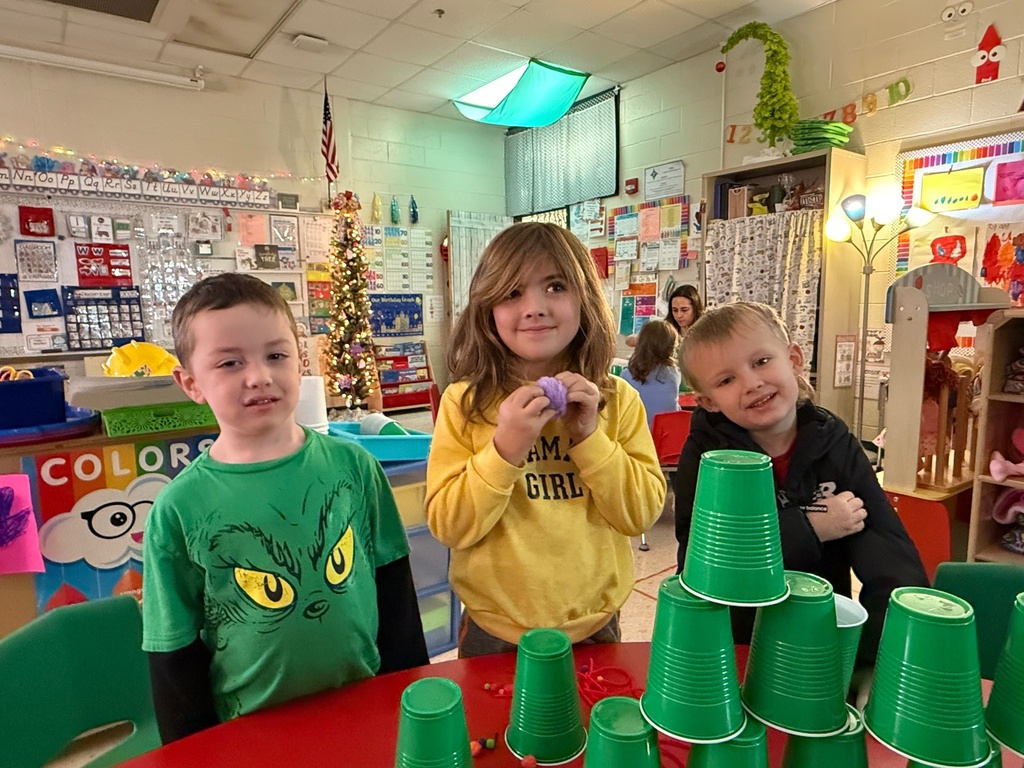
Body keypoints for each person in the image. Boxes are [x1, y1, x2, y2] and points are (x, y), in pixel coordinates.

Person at [142, 273, 427, 743]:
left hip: (365, 708)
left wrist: (411, 705)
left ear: (300, 362)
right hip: (252, 732)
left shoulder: (354, 466)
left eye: (276, 355)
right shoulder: (179, 509)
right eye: (230, 362)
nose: (259, 376)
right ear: (191, 383)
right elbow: (173, 653)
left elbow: (394, 590)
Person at [426, 222, 665, 657]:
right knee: (492, 728)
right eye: (512, 292)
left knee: (591, 724)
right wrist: (506, 448)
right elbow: (449, 526)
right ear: (487, 310)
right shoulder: (464, 402)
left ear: (585, 299)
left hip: (592, 624)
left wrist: (589, 436)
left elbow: (640, 514)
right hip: (495, 629)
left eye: (555, 286)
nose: (534, 307)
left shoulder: (617, 399)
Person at [673, 302, 927, 696]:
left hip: (820, 642)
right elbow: (700, 560)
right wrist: (809, 527)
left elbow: (889, 556)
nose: (751, 383)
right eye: (725, 381)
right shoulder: (704, 456)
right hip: (732, 647)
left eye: (760, 361)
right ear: (707, 401)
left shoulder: (834, 441)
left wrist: (879, 658)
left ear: (793, 359)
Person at [620, 319, 681, 428]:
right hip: (666, 434)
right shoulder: (674, 373)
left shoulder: (626, 376)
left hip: (639, 437)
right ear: (671, 348)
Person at [626, 284, 703, 350]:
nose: (679, 315)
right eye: (675, 310)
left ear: (695, 308)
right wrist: (642, 339)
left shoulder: (706, 330)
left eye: (684, 310)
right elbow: (629, 340)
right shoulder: (666, 329)